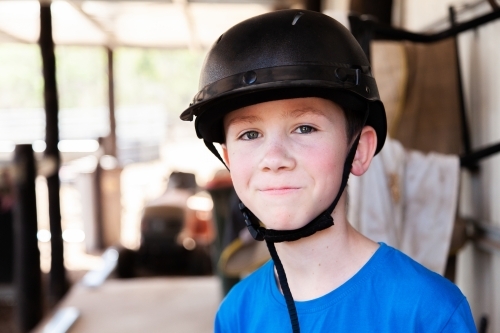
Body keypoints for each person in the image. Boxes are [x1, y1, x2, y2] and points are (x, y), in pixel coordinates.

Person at [180, 9, 476, 333]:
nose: (274, 158)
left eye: (305, 128)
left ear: (359, 151)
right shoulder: (237, 313)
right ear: (229, 160)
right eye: (249, 135)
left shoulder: (429, 311)